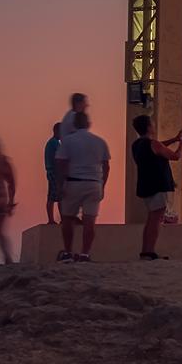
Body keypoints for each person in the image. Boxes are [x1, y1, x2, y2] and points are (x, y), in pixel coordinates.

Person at [54, 111, 110, 262]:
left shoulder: (68, 141)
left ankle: (68, 251)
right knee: (89, 220)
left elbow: (60, 164)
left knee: (67, 218)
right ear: (88, 124)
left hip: (73, 182)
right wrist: (102, 185)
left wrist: (60, 185)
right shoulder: (100, 141)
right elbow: (106, 166)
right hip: (93, 184)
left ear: (73, 125)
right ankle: (85, 253)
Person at [131, 115, 182, 260]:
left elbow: (158, 146)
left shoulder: (137, 144)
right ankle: (149, 251)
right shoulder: (153, 144)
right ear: (149, 127)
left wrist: (174, 139)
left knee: (151, 218)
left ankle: (145, 251)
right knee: (156, 219)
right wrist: (181, 145)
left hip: (145, 185)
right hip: (158, 184)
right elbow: (175, 156)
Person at [0, 141, 15, 265]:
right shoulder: (3, 161)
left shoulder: (3, 161)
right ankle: (8, 258)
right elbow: (11, 183)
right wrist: (11, 201)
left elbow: (11, 183)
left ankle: (8, 258)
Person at [44, 123, 62, 225]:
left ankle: (53, 219)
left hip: (52, 172)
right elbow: (58, 160)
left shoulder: (53, 143)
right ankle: (51, 220)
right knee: (57, 197)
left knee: (55, 196)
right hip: (54, 173)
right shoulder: (54, 143)